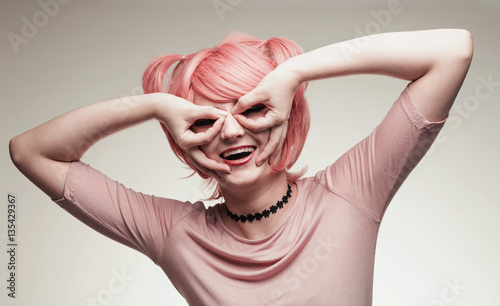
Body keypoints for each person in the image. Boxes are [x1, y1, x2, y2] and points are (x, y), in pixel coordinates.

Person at [9, 29, 473, 305]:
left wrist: (295, 73)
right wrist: (152, 106)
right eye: (205, 120)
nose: (230, 133)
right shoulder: (173, 233)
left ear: (285, 113)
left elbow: (452, 50)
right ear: (182, 138)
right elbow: (29, 150)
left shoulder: (351, 194)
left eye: (251, 109)